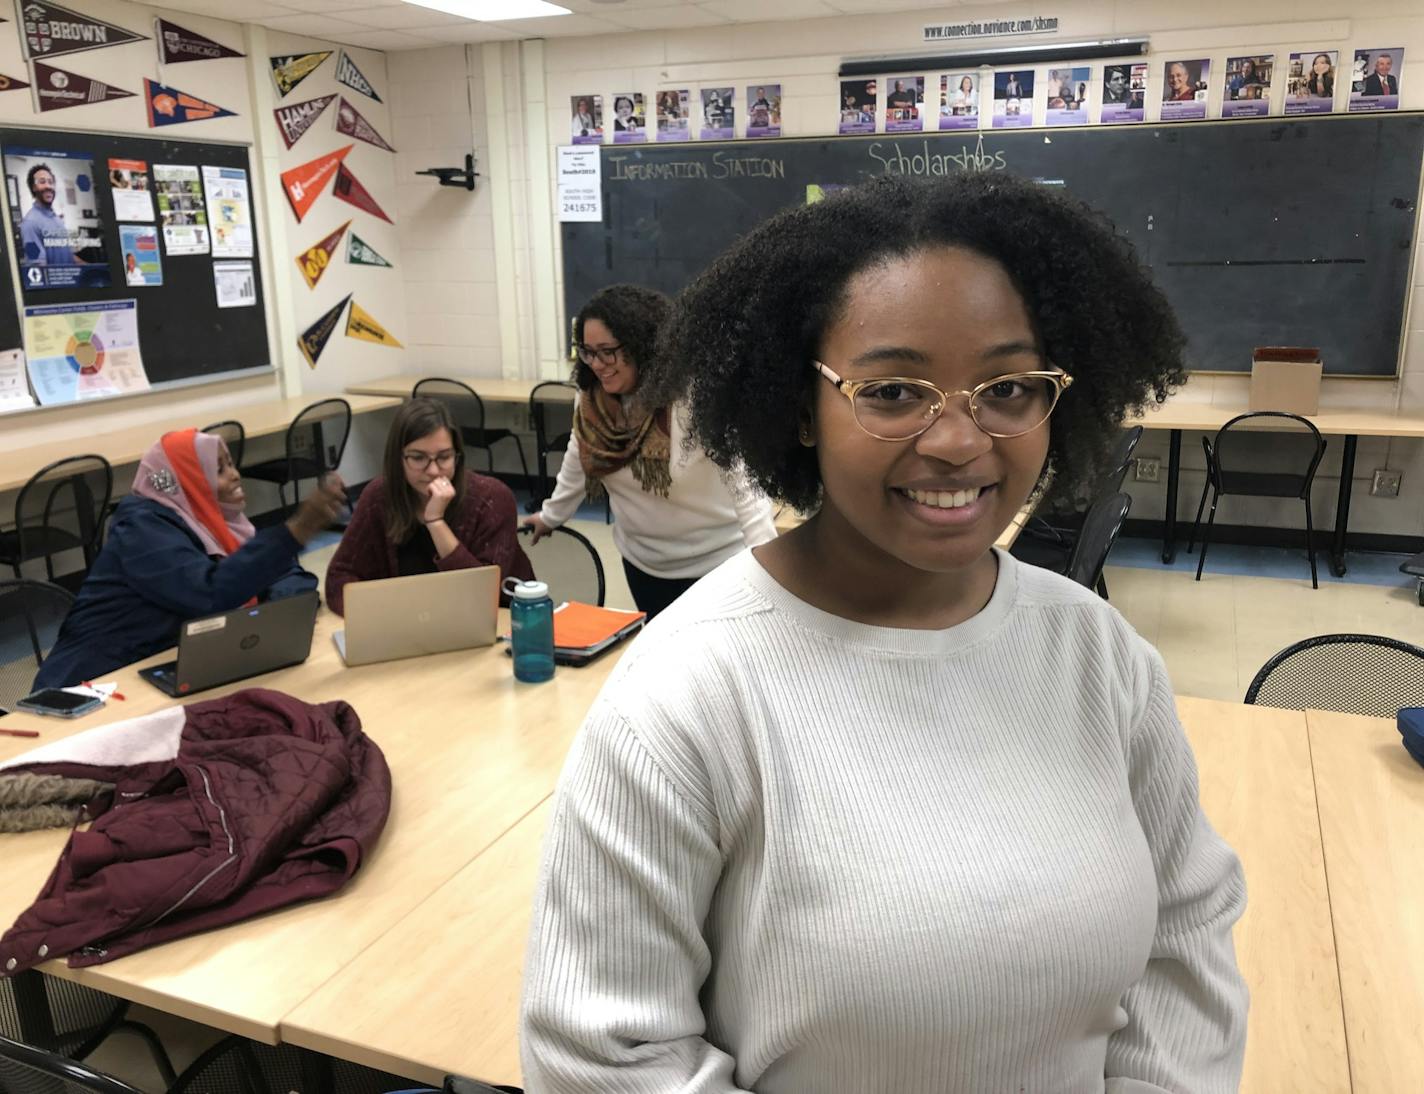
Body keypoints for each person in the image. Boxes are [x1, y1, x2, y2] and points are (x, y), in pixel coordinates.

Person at [520, 174, 1249, 1091]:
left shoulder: (1100, 657)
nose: (957, 439)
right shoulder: (683, 695)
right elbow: (601, 1058)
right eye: (894, 390)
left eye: (1008, 387)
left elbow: (1184, 948)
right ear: (798, 407)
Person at [521, 284, 775, 618]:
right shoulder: (591, 400)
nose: (597, 364)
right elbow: (578, 455)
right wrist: (551, 515)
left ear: (643, 345)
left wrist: (772, 568)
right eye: (588, 351)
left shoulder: (696, 396)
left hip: (716, 564)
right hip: (643, 564)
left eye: (608, 351)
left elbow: (745, 485)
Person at [33, 429, 337, 690]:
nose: (235, 475)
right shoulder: (141, 531)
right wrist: (295, 531)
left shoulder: (218, 524)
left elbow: (286, 574)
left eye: (230, 464)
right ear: (189, 481)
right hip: (92, 683)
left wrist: (274, 613)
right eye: (218, 470)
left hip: (167, 665)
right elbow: (209, 593)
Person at [324, 398, 533, 616]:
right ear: (398, 459)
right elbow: (339, 577)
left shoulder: (492, 499)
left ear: (457, 456)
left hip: (499, 625)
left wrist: (436, 522)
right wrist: (383, 616)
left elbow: (481, 595)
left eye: (444, 457)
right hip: (408, 626)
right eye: (418, 458)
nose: (433, 470)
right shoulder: (379, 496)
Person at [19, 164, 81, 268]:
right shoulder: (30, 223)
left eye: (51, 182)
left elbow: (68, 255)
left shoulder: (57, 219)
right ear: (34, 187)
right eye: (42, 182)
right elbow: (38, 267)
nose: (48, 186)